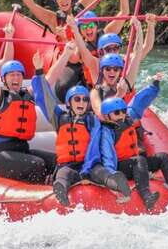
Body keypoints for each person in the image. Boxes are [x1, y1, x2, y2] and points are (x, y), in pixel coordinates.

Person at [31, 53, 131, 206]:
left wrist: (119, 95)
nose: (81, 102)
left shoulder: (92, 120)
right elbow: (45, 100)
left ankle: (116, 182)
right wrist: (39, 72)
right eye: (77, 99)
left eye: (84, 99)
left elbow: (110, 118)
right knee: (64, 175)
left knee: (100, 172)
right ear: (69, 103)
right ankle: (61, 192)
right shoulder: (59, 118)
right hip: (68, 165)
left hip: (89, 164)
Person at [98, 75, 168, 210]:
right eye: (117, 113)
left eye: (123, 111)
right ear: (107, 116)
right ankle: (146, 195)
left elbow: (139, 102)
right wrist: (111, 177)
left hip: (133, 163)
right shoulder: (106, 132)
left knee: (162, 157)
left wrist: (154, 86)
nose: (121, 115)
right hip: (119, 167)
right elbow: (106, 155)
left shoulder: (128, 119)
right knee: (139, 160)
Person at [0, 39, 56, 183]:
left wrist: (66, 53)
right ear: (4, 79)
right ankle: (39, 191)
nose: (16, 77)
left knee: (56, 161)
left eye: (19, 74)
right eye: (11, 75)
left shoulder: (27, 95)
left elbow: (49, 79)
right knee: (37, 164)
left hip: (21, 150)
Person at [87, 15, 157, 116]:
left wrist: (149, 25)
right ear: (101, 51)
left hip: (127, 107)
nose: (112, 52)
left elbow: (144, 48)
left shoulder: (125, 61)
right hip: (106, 108)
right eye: (108, 49)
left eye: (115, 48)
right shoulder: (96, 65)